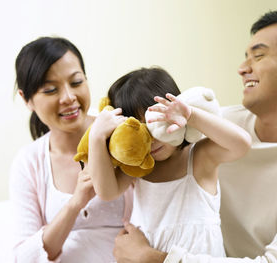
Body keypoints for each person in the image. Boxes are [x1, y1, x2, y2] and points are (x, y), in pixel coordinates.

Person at [113, 11, 277, 263]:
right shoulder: (205, 124)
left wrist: (152, 259)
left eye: (259, 55)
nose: (242, 68)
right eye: (245, 57)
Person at [85, 67, 251, 257]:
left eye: (156, 123)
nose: (152, 138)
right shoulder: (139, 167)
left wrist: (191, 115)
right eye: (141, 130)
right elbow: (106, 192)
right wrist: (96, 137)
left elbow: (242, 144)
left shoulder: (198, 157)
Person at [9, 37, 133, 263]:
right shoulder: (29, 162)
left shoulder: (123, 136)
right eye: (50, 90)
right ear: (26, 98)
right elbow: (24, 257)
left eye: (76, 83)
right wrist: (76, 202)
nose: (68, 98)